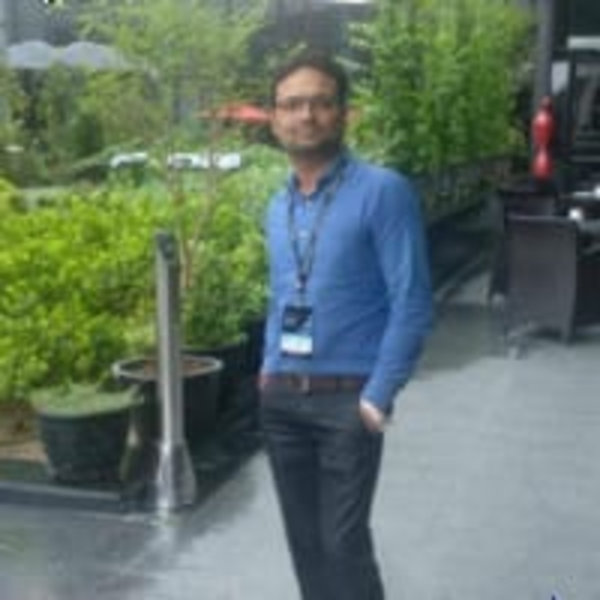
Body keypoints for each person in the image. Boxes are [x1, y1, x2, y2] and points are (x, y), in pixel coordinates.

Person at [259, 51, 433, 600]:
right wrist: (267, 371)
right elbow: (282, 296)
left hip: (347, 401)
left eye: (320, 102)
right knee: (306, 546)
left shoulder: (383, 191)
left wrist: (378, 395)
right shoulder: (277, 206)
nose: (305, 115)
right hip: (283, 400)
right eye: (292, 104)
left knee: (343, 546)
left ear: (343, 113)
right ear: (274, 118)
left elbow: (412, 300)